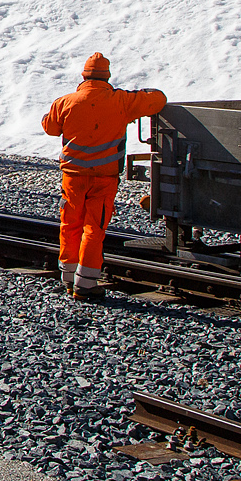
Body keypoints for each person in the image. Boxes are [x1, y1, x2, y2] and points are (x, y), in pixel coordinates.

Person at [41, 53, 167, 300]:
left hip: (73, 177)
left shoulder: (65, 102)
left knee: (70, 224)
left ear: (83, 75)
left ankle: (68, 278)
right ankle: (85, 284)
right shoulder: (121, 101)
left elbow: (50, 127)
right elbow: (158, 100)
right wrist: (143, 91)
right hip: (104, 178)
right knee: (93, 228)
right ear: (107, 76)